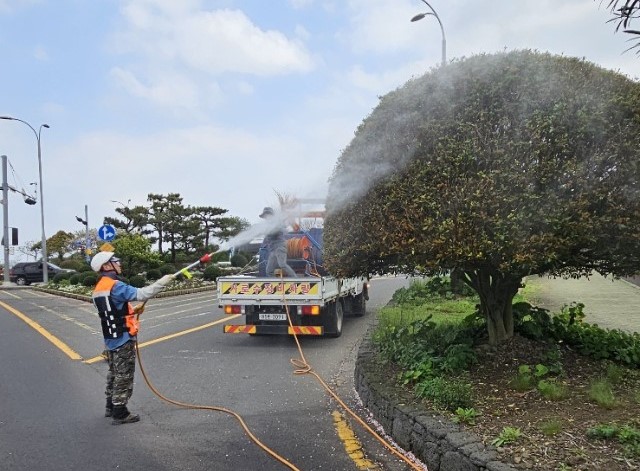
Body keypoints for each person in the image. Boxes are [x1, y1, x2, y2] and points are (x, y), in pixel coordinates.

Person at [90, 251, 174, 425]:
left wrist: (132, 311)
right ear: (106, 266)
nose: (119, 262)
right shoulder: (115, 285)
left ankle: (110, 406)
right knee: (124, 375)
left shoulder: (100, 287)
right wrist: (162, 282)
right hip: (122, 338)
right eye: (115, 261)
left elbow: (112, 311)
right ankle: (120, 412)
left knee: (114, 372)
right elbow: (143, 293)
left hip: (111, 337)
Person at [259, 206, 297, 278]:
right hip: (273, 250)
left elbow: (278, 230)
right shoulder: (269, 225)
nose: (265, 218)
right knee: (269, 270)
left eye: (266, 215)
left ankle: (296, 279)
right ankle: (274, 285)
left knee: (282, 264)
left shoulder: (277, 223)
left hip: (280, 248)